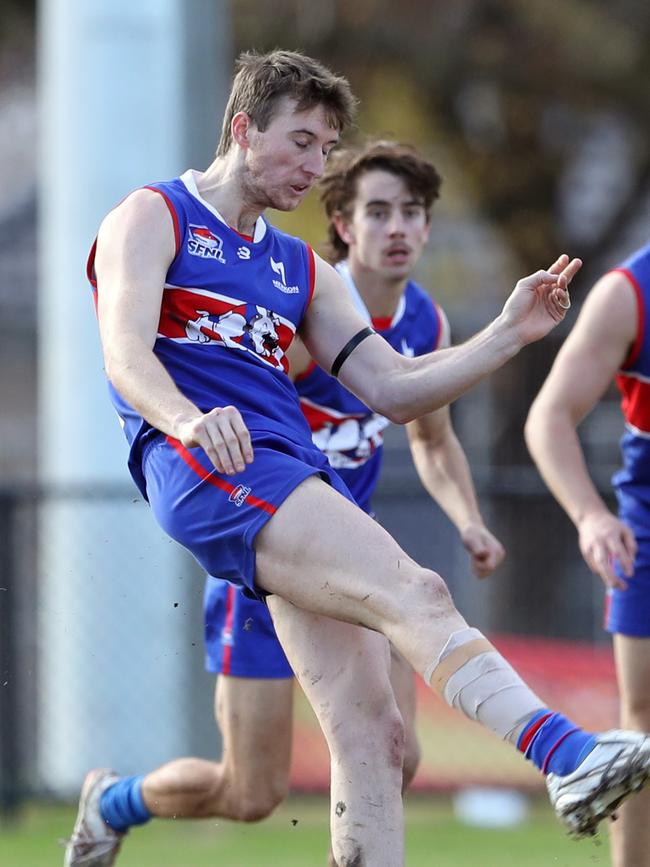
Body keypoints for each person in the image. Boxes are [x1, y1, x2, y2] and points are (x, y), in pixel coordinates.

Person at [64, 49, 650, 867]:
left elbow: (398, 390)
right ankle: (568, 755)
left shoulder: (300, 268)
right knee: (419, 589)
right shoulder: (153, 214)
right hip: (216, 472)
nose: (315, 166)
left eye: (324, 148)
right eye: (301, 142)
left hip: (285, 476)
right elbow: (124, 354)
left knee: (374, 734)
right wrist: (188, 419)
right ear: (242, 128)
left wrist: (508, 334)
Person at [200, 139, 506, 853]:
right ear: (342, 224)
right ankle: (114, 801)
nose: (396, 228)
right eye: (378, 212)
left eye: (412, 212)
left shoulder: (426, 323)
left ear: (428, 228)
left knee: (395, 752)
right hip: (272, 558)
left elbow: (432, 441)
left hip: (356, 558)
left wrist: (469, 520)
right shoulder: (301, 310)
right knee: (250, 791)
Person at [525, 241, 650, 867]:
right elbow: (548, 417)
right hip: (647, 534)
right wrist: (590, 515)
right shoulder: (630, 293)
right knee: (643, 728)